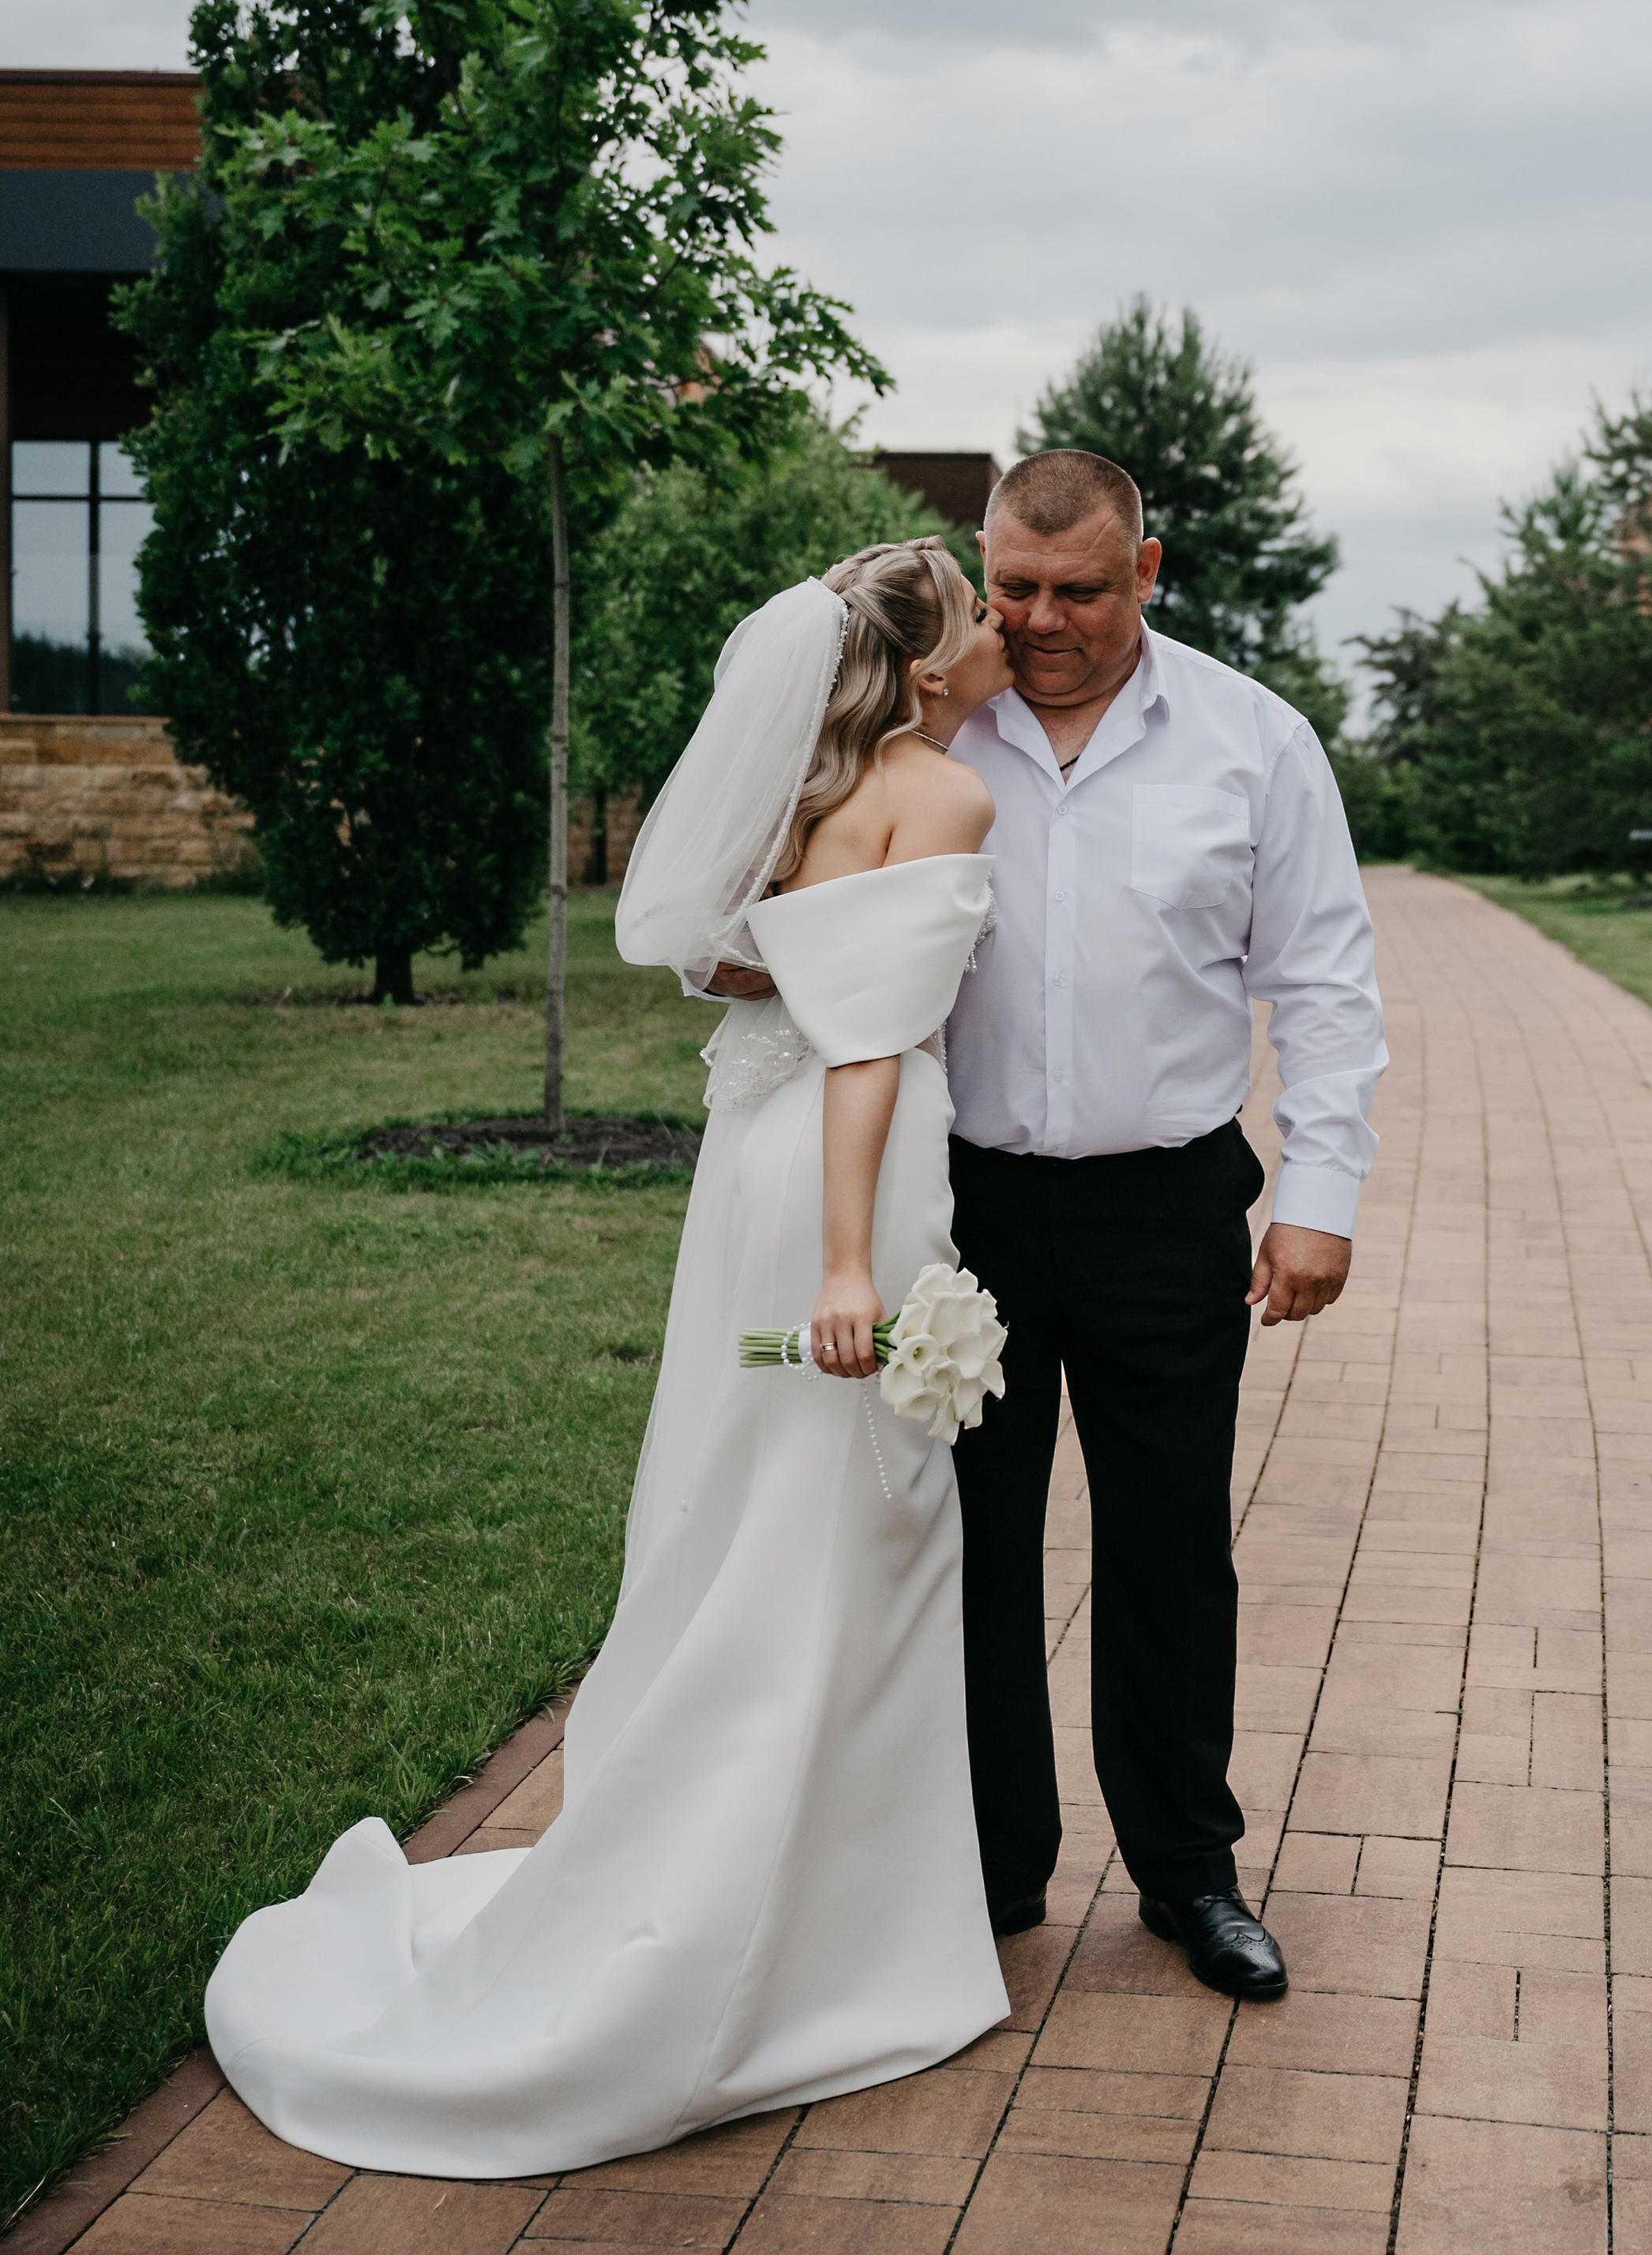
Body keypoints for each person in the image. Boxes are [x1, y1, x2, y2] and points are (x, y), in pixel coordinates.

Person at [204, 541, 1017, 2178]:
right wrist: (857, 1263)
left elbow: (734, 964)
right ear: (926, 661)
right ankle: (807, 1942)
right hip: (845, 1169)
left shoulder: (804, 790)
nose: (1006, 626)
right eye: (982, 607)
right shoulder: (940, 794)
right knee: (849, 1533)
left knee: (759, 1505)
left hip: (751, 1157)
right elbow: (869, 1044)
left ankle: (806, 1898)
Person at [944, 448, 1386, 2002]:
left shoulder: (1249, 742)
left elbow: (1322, 982)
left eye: (1075, 589)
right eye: (1012, 586)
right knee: (962, 1550)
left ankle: (1186, 1875)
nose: (1040, 619)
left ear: (1146, 569)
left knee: (1165, 1554)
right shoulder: (931, 723)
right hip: (960, 1208)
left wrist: (1318, 1199)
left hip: (1164, 1202)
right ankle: (988, 1867)